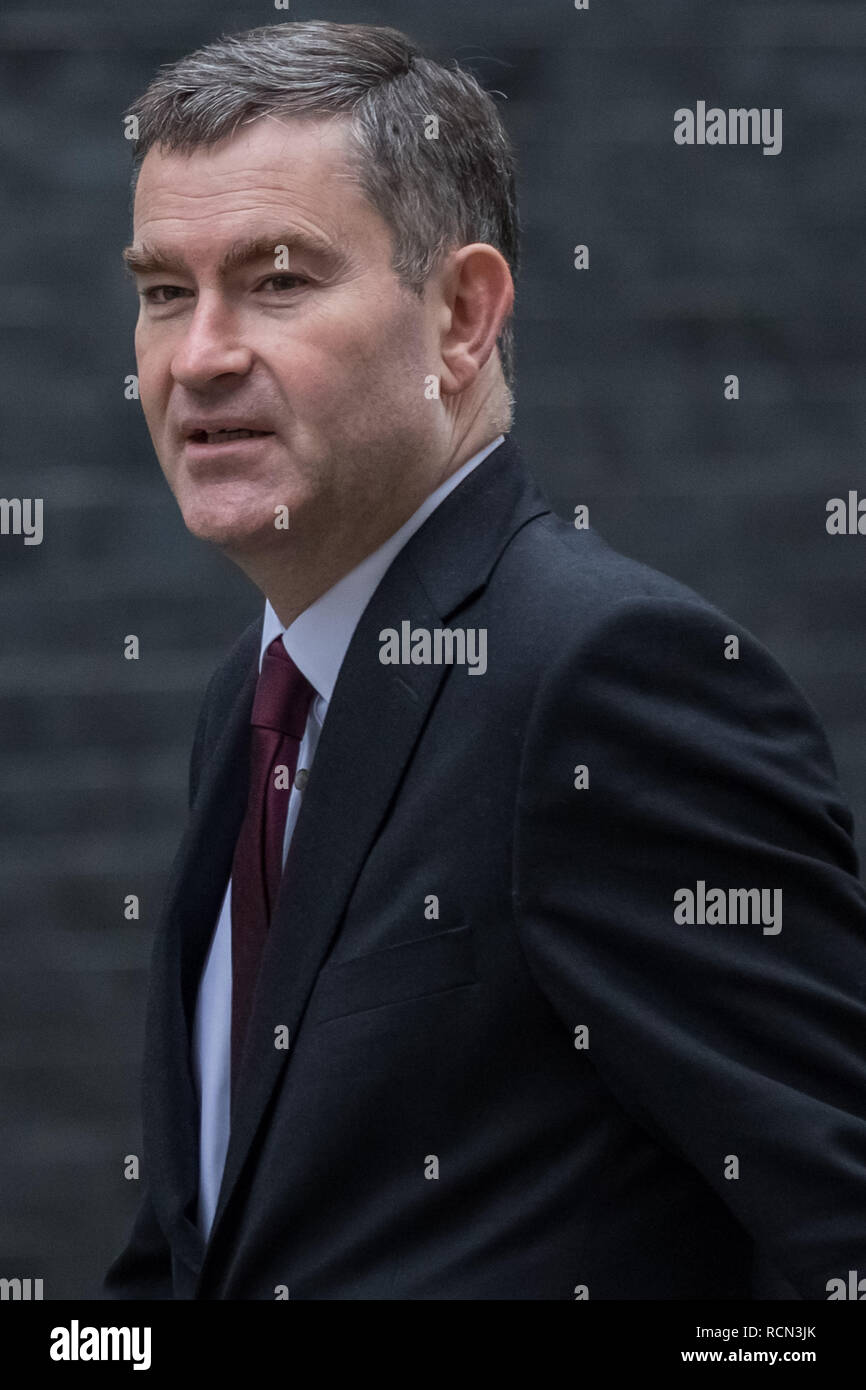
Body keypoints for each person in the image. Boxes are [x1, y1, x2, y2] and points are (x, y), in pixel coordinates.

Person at [104, 21, 866, 1300]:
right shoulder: (257, 693)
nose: (199, 355)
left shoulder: (606, 678)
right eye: (164, 291)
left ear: (462, 316)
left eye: (278, 278)